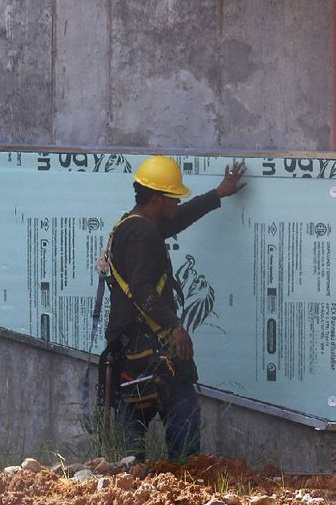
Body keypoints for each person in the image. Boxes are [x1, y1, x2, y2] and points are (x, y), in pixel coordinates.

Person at [101, 153, 246, 460]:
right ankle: (180, 486)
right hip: (151, 353)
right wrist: (173, 327)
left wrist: (218, 193)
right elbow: (140, 288)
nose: (178, 203)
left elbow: (178, 219)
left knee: (131, 447)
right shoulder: (142, 233)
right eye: (174, 197)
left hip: (131, 354)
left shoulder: (135, 225)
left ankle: (131, 491)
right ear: (158, 199)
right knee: (183, 419)